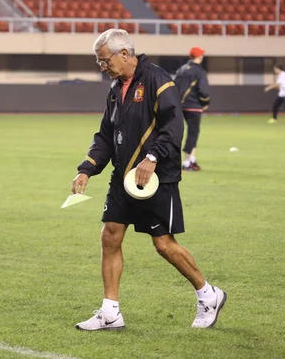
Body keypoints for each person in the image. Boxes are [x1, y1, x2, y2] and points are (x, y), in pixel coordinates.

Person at [71, 29, 226, 331]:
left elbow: (174, 125)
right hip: (122, 177)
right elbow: (106, 134)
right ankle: (110, 311)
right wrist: (86, 168)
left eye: (105, 62)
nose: (103, 68)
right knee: (110, 235)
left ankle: (209, 295)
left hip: (156, 178)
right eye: (100, 63)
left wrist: (152, 158)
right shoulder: (116, 89)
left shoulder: (158, 80)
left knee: (164, 245)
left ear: (124, 54)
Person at [173, 46, 211, 172]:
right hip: (193, 106)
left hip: (179, 105)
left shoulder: (181, 69)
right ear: (199, 57)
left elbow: (173, 87)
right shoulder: (200, 72)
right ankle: (187, 162)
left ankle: (192, 159)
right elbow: (204, 91)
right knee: (193, 133)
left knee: (176, 133)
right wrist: (205, 102)